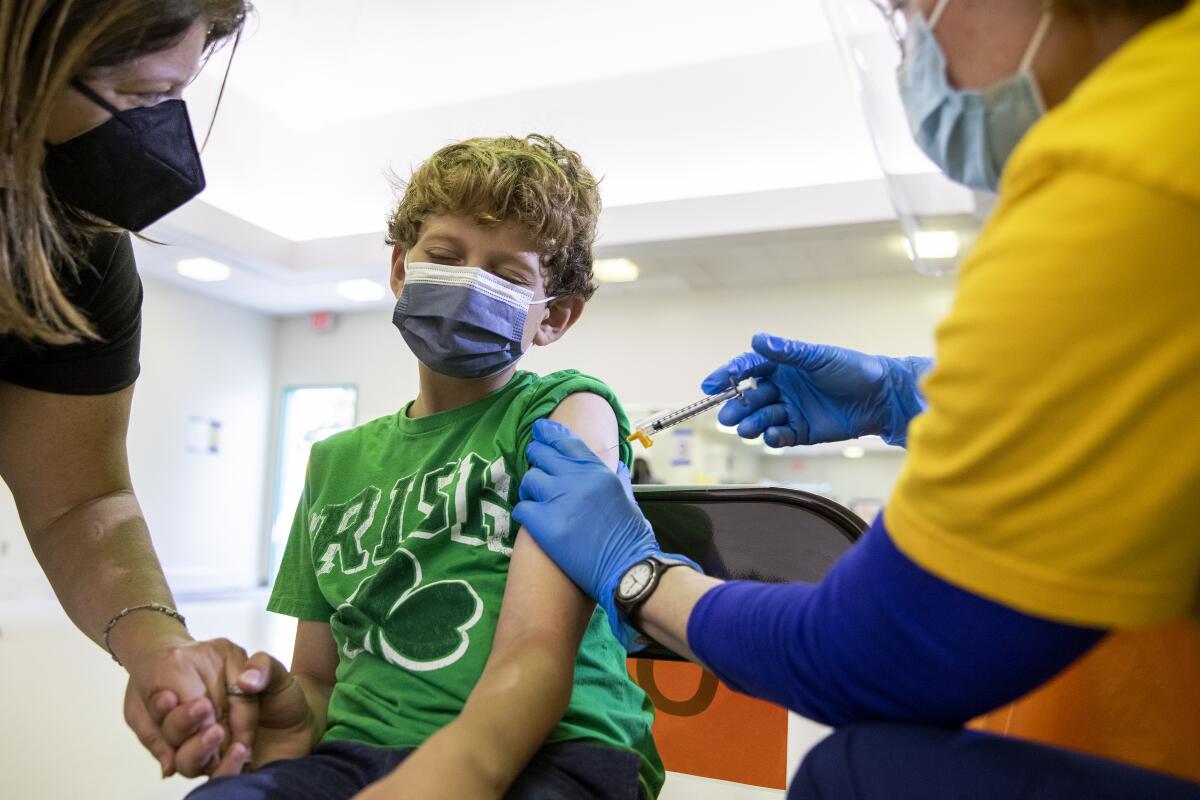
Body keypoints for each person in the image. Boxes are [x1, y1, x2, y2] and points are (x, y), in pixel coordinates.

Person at [512, 0, 1200, 797]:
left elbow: (871, 655)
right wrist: (910, 398)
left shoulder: (1123, 178)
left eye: (912, 16)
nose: (917, 58)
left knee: (858, 775)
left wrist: (638, 576)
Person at [178, 134, 665, 800]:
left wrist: (447, 778)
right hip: (361, 752)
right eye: (444, 255)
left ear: (553, 318)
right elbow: (320, 680)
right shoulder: (333, 462)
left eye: (507, 274)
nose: (470, 281)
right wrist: (288, 709)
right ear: (401, 269)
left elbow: (537, 651)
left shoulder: (564, 412)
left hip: (557, 753)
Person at [0, 0, 263, 780]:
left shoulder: (73, 249)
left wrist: (158, 644)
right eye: (146, 97)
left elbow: (81, 500)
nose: (162, 135)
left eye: (175, 97)